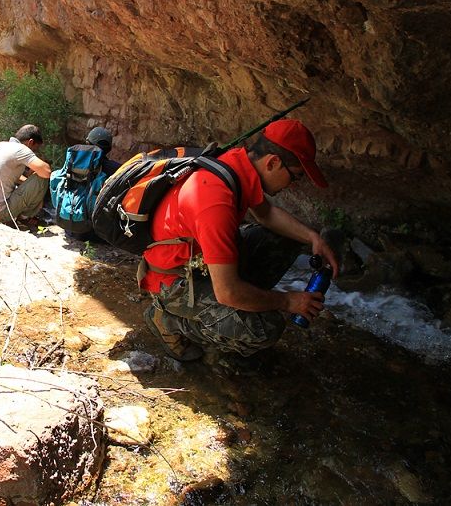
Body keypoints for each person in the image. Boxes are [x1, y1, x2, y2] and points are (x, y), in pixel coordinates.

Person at [141, 119, 340, 367]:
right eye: (295, 177)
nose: (292, 185)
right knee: (264, 329)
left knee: (283, 239)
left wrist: (314, 238)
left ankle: (244, 304)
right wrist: (288, 301)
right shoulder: (215, 201)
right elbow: (228, 292)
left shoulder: (237, 163)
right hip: (172, 280)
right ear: (272, 162)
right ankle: (169, 320)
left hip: (199, 263)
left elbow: (266, 214)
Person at [0, 125, 51, 226]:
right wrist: (37, 194)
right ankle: (25, 218)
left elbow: (9, 176)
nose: (33, 152)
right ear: (31, 142)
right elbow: (46, 171)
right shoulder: (21, 149)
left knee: (35, 182)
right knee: (41, 178)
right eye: (34, 149)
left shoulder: (0, 145)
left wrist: (31, 188)